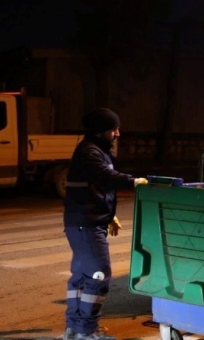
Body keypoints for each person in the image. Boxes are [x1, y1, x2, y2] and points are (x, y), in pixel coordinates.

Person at [62, 108, 147, 340]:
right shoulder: (90, 152)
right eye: (113, 129)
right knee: (99, 274)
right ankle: (87, 331)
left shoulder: (96, 150)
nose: (117, 133)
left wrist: (109, 216)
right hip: (86, 223)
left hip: (85, 222)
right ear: (102, 131)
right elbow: (104, 176)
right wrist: (134, 182)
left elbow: (98, 187)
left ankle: (74, 328)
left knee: (81, 277)